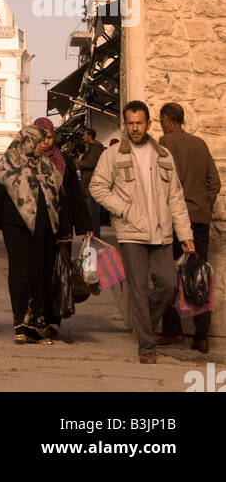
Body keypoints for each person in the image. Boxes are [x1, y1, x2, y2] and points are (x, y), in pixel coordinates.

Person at [89, 100, 193, 363]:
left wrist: (185, 234)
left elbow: (176, 197)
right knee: (138, 290)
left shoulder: (163, 156)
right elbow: (97, 186)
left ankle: (143, 316)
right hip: (131, 233)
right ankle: (147, 346)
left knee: (168, 285)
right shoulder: (113, 155)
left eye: (139, 123)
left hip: (162, 234)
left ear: (148, 124)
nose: (135, 128)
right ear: (125, 124)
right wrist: (124, 209)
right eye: (130, 123)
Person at [0, 118, 90, 344]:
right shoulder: (8, 164)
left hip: (44, 228)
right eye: (40, 140)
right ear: (28, 140)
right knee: (21, 273)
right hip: (17, 227)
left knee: (41, 273)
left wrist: (67, 228)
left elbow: (61, 198)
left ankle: (39, 323)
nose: (44, 145)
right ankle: (21, 323)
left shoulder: (47, 165)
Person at [157, 102, 221, 354]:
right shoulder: (200, 144)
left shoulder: (165, 142)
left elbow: (160, 183)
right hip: (200, 220)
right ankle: (201, 336)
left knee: (170, 276)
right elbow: (214, 182)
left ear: (165, 119)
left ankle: (172, 331)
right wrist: (204, 204)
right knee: (199, 276)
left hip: (175, 220)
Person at [76, 128, 106, 236]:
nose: (83, 137)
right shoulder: (92, 148)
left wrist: (79, 162)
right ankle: (92, 234)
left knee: (93, 211)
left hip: (92, 183)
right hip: (89, 182)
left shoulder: (96, 148)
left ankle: (95, 235)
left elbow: (91, 164)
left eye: (84, 135)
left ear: (90, 136)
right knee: (90, 211)